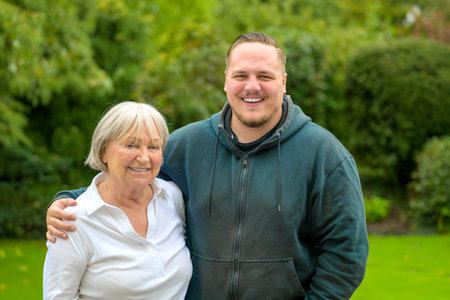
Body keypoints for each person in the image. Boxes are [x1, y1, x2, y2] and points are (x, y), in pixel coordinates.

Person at [46, 32, 369, 299]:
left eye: (265, 76)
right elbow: (132, 177)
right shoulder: (186, 145)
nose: (252, 86)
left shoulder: (325, 155)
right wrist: (66, 200)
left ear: (283, 82)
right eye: (241, 75)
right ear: (226, 80)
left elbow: (346, 253)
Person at [43, 101, 192, 299]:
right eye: (131, 145)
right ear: (103, 151)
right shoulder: (73, 221)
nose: (144, 157)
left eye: (154, 146)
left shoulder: (172, 198)